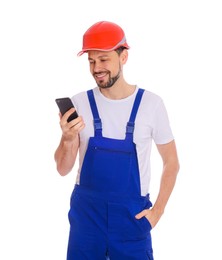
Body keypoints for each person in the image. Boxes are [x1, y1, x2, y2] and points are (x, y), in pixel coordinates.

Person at [54, 21, 180, 260]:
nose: (96, 68)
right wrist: (68, 138)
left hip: (131, 219)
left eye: (103, 59)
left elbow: (171, 162)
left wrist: (157, 212)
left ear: (124, 57)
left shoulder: (151, 105)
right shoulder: (79, 103)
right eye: (91, 61)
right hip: (87, 219)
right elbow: (62, 169)